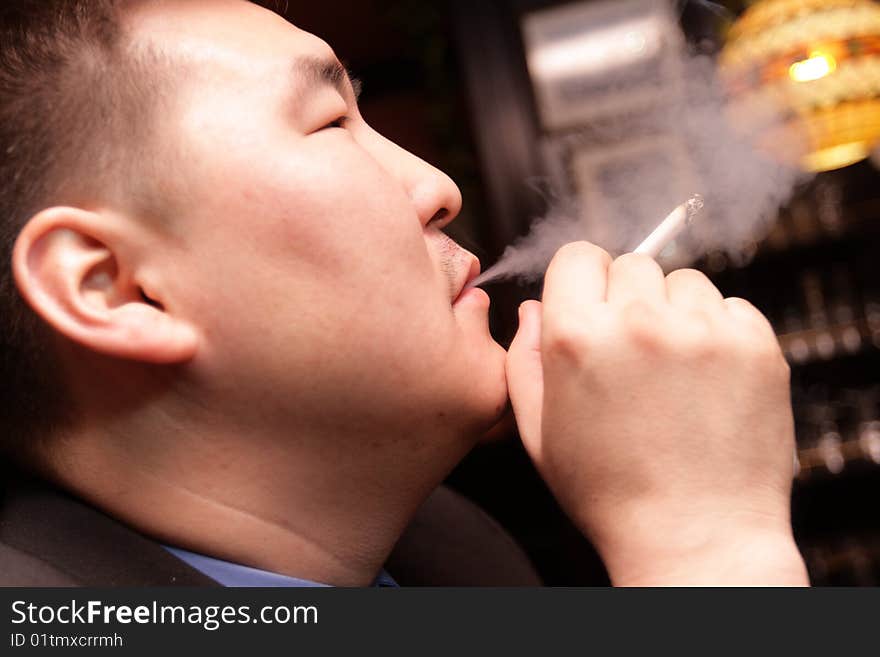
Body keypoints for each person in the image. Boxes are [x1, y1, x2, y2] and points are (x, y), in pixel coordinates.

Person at [0, 0, 808, 587]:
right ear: (118, 288)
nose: (440, 188)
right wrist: (707, 546)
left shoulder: (466, 560)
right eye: (328, 124)